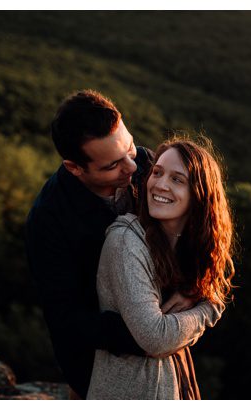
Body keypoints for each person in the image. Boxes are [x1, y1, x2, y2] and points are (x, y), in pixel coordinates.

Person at [26, 90, 196, 399]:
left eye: (129, 147)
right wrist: (153, 332)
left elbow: (202, 228)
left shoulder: (144, 163)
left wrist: (196, 287)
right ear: (74, 167)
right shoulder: (48, 220)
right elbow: (66, 319)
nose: (132, 167)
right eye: (113, 165)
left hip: (172, 350)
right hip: (100, 370)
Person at [86, 137, 235, 399]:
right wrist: (207, 308)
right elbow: (155, 336)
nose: (160, 184)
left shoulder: (187, 247)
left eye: (177, 179)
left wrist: (197, 293)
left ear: (199, 194)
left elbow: (215, 278)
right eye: (157, 172)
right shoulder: (126, 241)